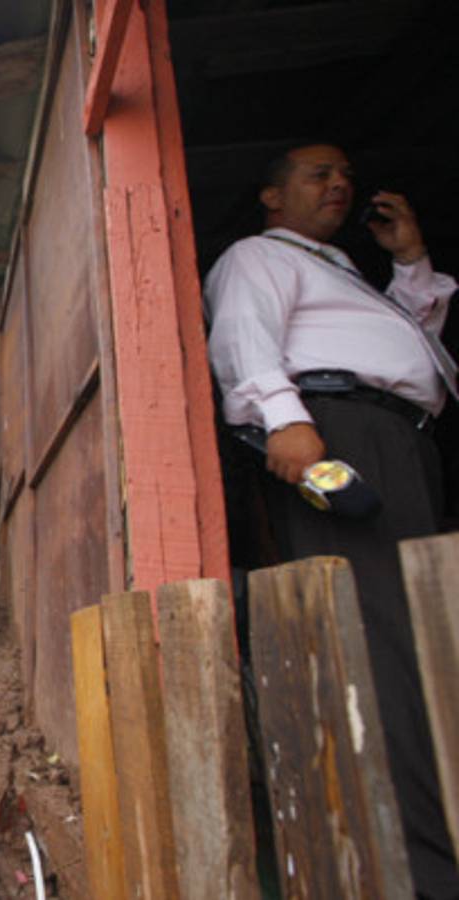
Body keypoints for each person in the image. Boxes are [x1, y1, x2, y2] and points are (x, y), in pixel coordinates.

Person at [204, 142, 459, 898]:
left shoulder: (341, 271)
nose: (339, 184)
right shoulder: (258, 255)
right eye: (318, 173)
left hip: (398, 439)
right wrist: (283, 420)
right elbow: (244, 337)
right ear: (271, 195)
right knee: (382, 642)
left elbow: (413, 346)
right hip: (337, 433)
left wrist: (409, 262)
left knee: (427, 633)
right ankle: (423, 870)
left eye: (345, 175)